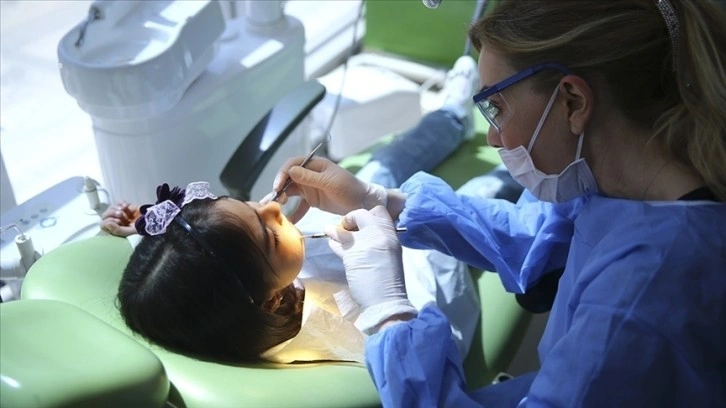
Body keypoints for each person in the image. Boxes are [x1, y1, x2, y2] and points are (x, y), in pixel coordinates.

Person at [268, 0, 726, 406]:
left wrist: (390, 316)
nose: (491, 136)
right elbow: (534, 236)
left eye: (496, 108)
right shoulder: (615, 185)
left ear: (572, 101)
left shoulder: (644, 292)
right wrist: (382, 201)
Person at [105, 54, 512, 364]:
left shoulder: (211, 284)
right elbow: (416, 358)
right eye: (268, 233)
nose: (272, 209)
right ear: (269, 301)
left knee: (382, 166)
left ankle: (451, 114)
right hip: (420, 275)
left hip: (345, 240)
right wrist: (386, 301)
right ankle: (512, 163)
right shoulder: (338, 324)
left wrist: (141, 227)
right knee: (475, 195)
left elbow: (177, 262)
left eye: (250, 206)